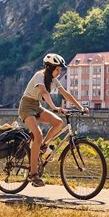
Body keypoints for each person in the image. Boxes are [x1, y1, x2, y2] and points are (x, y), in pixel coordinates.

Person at [18, 53, 87, 187]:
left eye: (60, 69)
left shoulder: (53, 80)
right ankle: (33, 174)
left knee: (58, 123)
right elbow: (44, 92)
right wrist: (54, 107)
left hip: (37, 106)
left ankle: (42, 147)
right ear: (50, 68)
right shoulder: (40, 76)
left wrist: (81, 107)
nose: (59, 71)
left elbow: (66, 94)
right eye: (58, 69)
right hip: (26, 106)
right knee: (37, 135)